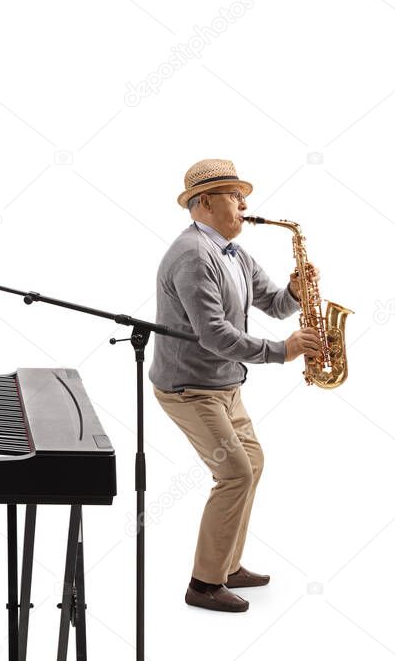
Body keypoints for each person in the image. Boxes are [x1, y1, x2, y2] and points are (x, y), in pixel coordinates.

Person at [149, 159, 321, 613]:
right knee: (235, 473)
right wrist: (282, 352)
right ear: (203, 203)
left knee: (253, 463)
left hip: (225, 385)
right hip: (189, 388)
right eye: (234, 195)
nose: (245, 205)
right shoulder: (191, 255)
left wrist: (296, 291)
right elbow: (215, 335)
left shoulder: (235, 252)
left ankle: (226, 564)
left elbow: (275, 304)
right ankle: (203, 585)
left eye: (243, 196)